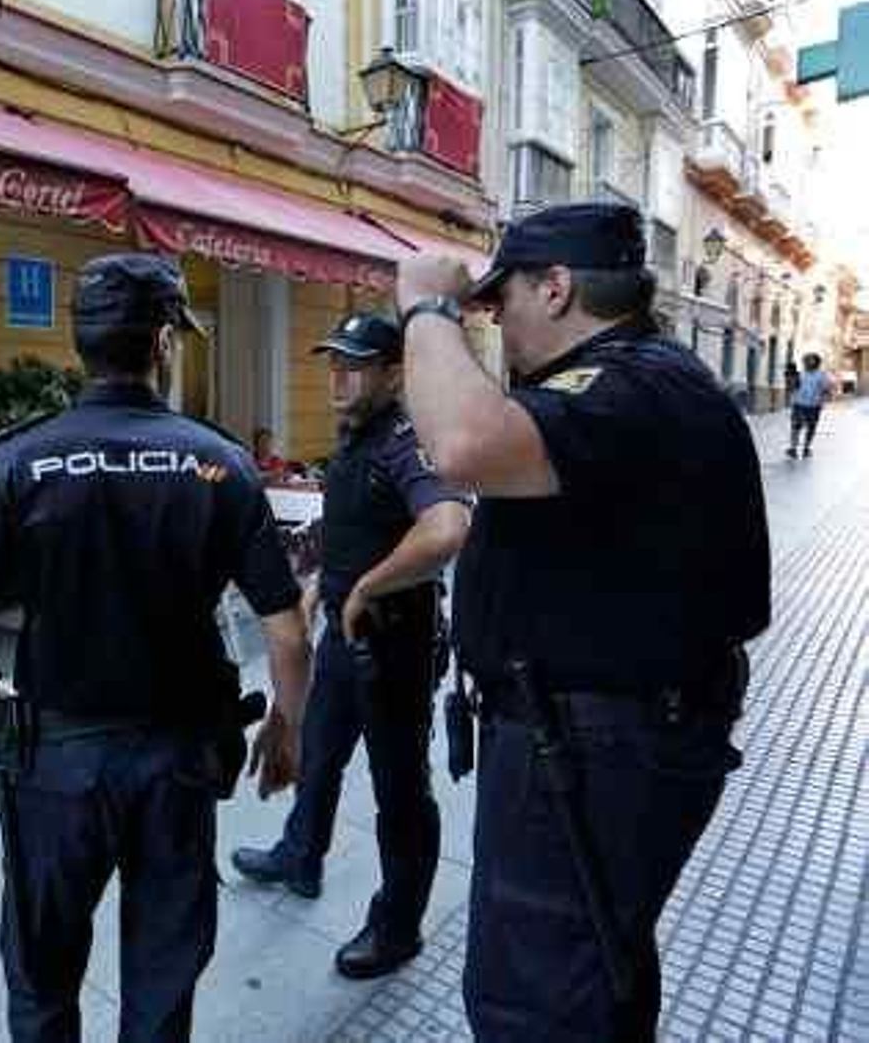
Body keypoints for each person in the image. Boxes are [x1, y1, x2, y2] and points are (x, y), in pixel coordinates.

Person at [0, 253, 312, 1042]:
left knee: (42, 977)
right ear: (164, 344)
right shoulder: (218, 464)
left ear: (81, 343)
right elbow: (290, 631)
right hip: (176, 764)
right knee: (162, 980)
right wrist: (286, 727)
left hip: (56, 767)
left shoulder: (15, 462)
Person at [398, 203, 769, 1040]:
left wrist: (427, 306)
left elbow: (460, 442)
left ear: (557, 288)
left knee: (533, 998)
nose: (494, 320)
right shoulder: (645, 380)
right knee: (594, 964)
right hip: (602, 737)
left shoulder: (626, 383)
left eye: (505, 301)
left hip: (590, 746)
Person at [231, 313, 471, 980]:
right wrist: (319, 592)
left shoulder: (406, 439)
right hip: (341, 635)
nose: (338, 374)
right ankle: (299, 856)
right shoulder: (356, 439)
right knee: (319, 753)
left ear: (394, 373)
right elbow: (350, 532)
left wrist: (367, 587)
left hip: (394, 648)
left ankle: (397, 928)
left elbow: (448, 528)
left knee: (400, 793)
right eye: (333, 361)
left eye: (355, 363)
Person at [786, 353, 834, 458]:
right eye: (806, 360)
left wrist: (824, 397)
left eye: (810, 360)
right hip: (799, 404)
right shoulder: (800, 374)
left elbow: (827, 390)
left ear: (816, 362)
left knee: (811, 428)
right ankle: (793, 448)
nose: (807, 362)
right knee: (795, 426)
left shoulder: (821, 375)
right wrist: (790, 376)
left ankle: (806, 448)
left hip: (814, 406)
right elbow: (792, 387)